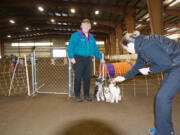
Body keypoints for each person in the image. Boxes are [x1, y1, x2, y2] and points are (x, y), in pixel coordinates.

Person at [113, 31, 180, 135]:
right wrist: (124, 77)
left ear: (130, 44)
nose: (129, 52)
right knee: (161, 98)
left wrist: (149, 70)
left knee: (162, 98)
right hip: (173, 67)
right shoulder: (141, 47)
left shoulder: (148, 46)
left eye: (127, 49)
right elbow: (137, 67)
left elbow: (166, 63)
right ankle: (165, 130)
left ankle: (164, 132)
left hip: (176, 66)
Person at [68, 19, 104, 102]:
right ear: (81, 26)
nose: (86, 26)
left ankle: (86, 95)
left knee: (87, 78)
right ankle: (77, 95)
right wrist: (71, 57)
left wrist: (100, 57)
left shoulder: (91, 37)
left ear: (90, 27)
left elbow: (95, 49)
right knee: (78, 78)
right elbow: (70, 47)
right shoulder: (76, 35)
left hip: (88, 59)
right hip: (78, 58)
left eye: (88, 25)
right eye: (84, 25)